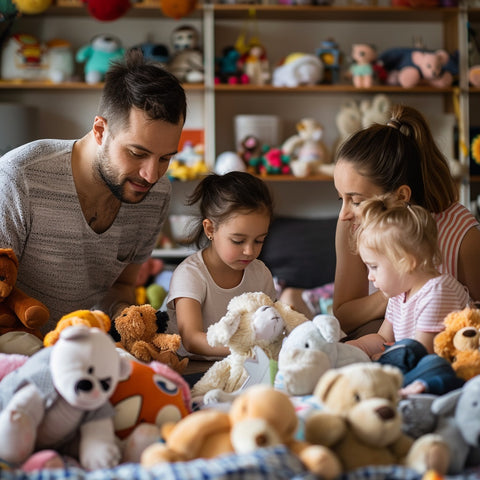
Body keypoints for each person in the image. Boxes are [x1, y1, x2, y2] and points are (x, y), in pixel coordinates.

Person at [0, 48, 187, 338]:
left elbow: (121, 287)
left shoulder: (157, 194)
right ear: (100, 130)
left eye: (165, 158)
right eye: (137, 153)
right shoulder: (19, 176)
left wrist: (129, 321)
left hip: (92, 357)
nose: (151, 175)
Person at [280, 104, 480, 337]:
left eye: (356, 200)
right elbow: (344, 316)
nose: (344, 213)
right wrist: (399, 287)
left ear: (401, 196)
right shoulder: (351, 225)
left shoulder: (463, 238)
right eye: (340, 198)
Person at [166, 171, 276, 360]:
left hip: (242, 364)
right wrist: (246, 349)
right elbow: (191, 339)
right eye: (238, 241)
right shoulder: (190, 274)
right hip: (190, 366)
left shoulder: (261, 273)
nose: (250, 251)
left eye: (259, 241)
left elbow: (271, 325)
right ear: (210, 229)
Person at [346, 194, 472, 359]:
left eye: (374, 267)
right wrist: (354, 347)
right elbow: (383, 338)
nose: (370, 276)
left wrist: (381, 357)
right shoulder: (399, 292)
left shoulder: (437, 292)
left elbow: (421, 353)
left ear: (407, 262)